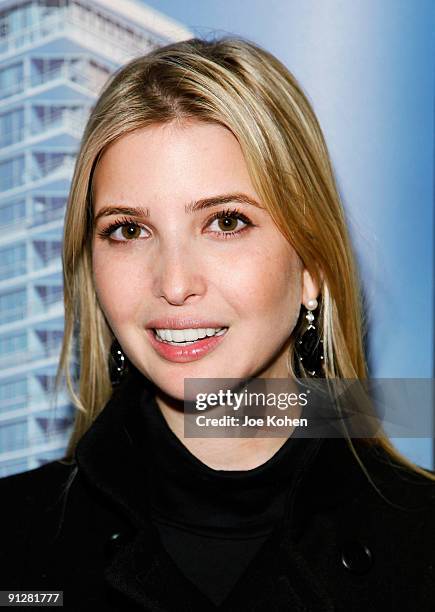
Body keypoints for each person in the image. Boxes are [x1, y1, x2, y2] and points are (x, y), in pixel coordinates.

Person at [0, 36, 434, 611]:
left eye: (225, 222)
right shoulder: (13, 543)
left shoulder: (422, 543)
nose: (175, 283)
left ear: (312, 266)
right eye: (129, 230)